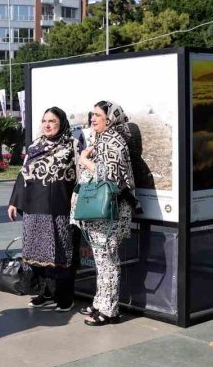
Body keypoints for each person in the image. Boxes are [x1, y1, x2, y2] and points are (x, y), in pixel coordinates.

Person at [8, 107, 78, 312]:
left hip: (59, 209)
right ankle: (45, 293)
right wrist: (14, 202)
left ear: (62, 123)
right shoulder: (35, 145)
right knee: (37, 254)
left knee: (60, 252)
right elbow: (23, 174)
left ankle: (64, 297)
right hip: (34, 208)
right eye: (45, 121)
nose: (47, 125)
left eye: (53, 121)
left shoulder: (72, 145)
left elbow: (80, 176)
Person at [73, 101, 138, 326]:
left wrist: (84, 160)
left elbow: (109, 177)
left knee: (108, 261)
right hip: (103, 211)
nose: (93, 119)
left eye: (98, 115)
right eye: (92, 115)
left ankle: (109, 310)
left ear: (109, 119)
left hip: (112, 211)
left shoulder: (113, 141)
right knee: (102, 260)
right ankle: (101, 302)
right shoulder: (104, 140)